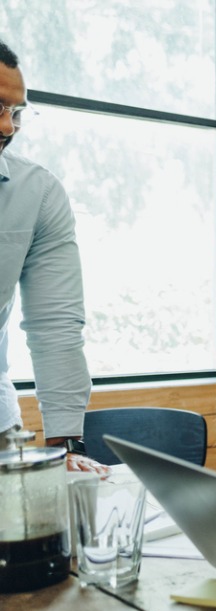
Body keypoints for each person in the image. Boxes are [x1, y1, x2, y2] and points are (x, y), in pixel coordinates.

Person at [0, 38, 103, 473]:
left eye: (15, 112)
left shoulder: (37, 192)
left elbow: (55, 325)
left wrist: (67, 449)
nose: (7, 127)